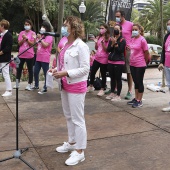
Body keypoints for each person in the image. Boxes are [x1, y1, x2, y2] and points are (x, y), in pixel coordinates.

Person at [50, 16, 90, 166]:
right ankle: (72, 142)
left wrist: (66, 73)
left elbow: (85, 68)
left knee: (78, 119)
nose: (63, 28)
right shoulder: (66, 44)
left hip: (76, 86)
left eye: (66, 25)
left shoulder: (81, 46)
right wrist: (56, 70)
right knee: (68, 116)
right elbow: (64, 64)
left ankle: (80, 151)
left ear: (73, 28)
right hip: (65, 85)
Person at [127, 24, 150, 108]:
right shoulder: (132, 39)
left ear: (140, 30)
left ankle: (139, 100)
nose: (134, 31)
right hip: (132, 63)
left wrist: (145, 62)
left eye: (136, 29)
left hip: (140, 64)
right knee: (136, 81)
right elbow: (132, 48)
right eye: (133, 30)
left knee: (139, 81)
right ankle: (136, 98)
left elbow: (146, 52)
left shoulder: (142, 40)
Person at [87, 23, 110, 96]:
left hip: (104, 58)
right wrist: (96, 43)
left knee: (103, 74)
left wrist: (103, 44)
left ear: (106, 29)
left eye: (102, 28)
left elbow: (107, 50)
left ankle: (102, 88)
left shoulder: (108, 38)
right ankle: (91, 86)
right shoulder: (99, 37)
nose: (101, 30)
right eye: (100, 28)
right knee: (92, 71)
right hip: (97, 57)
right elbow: (96, 48)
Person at [115, 10, 133, 100]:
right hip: (118, 49)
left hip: (127, 50)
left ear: (123, 16)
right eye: (116, 16)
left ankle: (130, 91)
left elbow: (136, 35)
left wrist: (132, 45)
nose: (117, 18)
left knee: (128, 71)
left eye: (118, 16)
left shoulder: (130, 24)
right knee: (117, 69)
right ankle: (115, 88)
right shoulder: (116, 25)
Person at [106, 24, 126, 101]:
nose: (115, 30)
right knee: (112, 78)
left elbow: (120, 51)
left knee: (118, 78)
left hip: (119, 62)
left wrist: (116, 44)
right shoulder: (112, 39)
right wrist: (112, 44)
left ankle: (118, 95)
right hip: (111, 61)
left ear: (120, 30)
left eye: (117, 29)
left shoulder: (122, 40)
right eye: (114, 29)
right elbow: (108, 50)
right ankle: (112, 92)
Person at [32, 21, 53, 94]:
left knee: (45, 73)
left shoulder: (49, 37)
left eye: (44, 27)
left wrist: (40, 38)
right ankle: (36, 85)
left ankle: (45, 87)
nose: (42, 28)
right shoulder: (42, 36)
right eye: (42, 27)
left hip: (45, 57)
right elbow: (36, 45)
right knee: (35, 71)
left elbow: (45, 45)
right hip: (38, 57)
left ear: (47, 28)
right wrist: (35, 38)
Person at [15, 19, 36, 90]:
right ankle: (17, 83)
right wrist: (23, 39)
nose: (26, 26)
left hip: (29, 54)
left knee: (30, 70)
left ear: (31, 25)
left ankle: (29, 84)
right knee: (19, 69)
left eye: (28, 24)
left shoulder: (33, 33)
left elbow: (33, 44)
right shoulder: (21, 33)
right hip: (21, 54)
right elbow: (19, 43)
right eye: (25, 24)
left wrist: (27, 39)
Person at [158, 19, 170, 112]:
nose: (168, 26)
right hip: (167, 65)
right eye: (168, 24)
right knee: (169, 86)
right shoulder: (167, 36)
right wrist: (161, 62)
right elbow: (163, 51)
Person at [0, 19, 13, 97]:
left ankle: (9, 90)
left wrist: (1, 52)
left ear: (3, 26)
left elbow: (8, 48)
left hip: (5, 57)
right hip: (1, 57)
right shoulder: (2, 35)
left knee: (5, 73)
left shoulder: (8, 35)